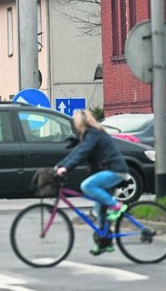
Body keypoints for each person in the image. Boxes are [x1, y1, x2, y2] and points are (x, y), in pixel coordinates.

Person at [55, 109, 128, 256]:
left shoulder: (93, 133)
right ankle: (105, 243)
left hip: (115, 171)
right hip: (108, 171)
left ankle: (116, 206)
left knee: (87, 186)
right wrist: (60, 165)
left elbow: (83, 152)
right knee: (100, 211)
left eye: (76, 123)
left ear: (81, 122)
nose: (75, 126)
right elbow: (77, 151)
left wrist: (66, 168)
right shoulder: (90, 135)